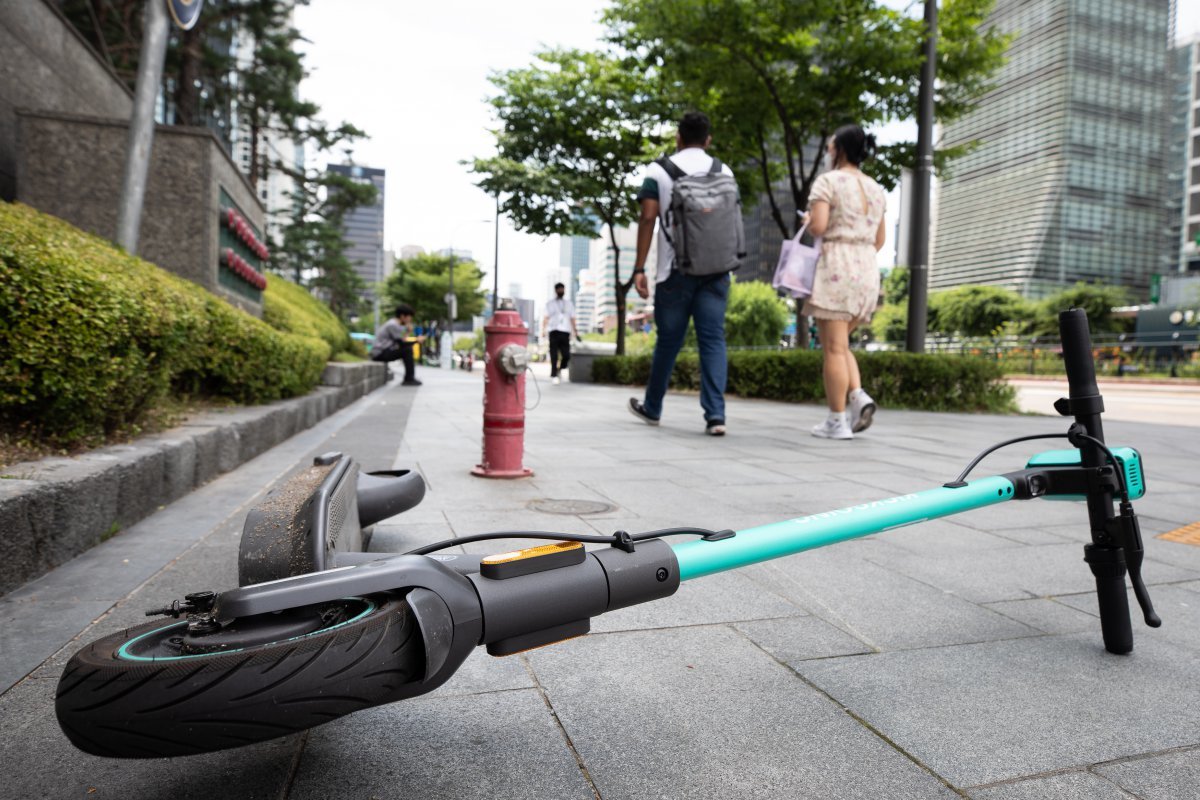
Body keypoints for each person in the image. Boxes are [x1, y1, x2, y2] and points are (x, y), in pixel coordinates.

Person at [627, 111, 738, 436]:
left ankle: (653, 408)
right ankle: (716, 416)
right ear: (708, 140)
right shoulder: (724, 170)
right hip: (717, 270)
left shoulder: (659, 171)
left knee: (668, 342)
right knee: (713, 340)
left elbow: (647, 218)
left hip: (674, 271)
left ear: (678, 137)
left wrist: (639, 268)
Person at [800, 124, 887, 440]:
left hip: (837, 266)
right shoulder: (876, 188)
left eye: (829, 147)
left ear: (839, 149)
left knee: (834, 349)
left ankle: (837, 421)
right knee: (840, 344)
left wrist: (809, 221)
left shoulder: (829, 182)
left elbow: (820, 226)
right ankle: (858, 396)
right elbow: (880, 239)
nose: (827, 152)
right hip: (866, 268)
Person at [370, 304, 425, 386]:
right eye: (409, 317)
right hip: (379, 354)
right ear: (402, 316)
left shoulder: (395, 324)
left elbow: (401, 341)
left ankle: (409, 378)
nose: (410, 320)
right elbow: (402, 344)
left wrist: (408, 332)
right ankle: (409, 378)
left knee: (407, 349)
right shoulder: (392, 325)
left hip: (384, 352)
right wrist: (417, 340)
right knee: (407, 350)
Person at [542, 282, 579, 385]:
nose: (561, 291)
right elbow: (546, 317)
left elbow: (572, 318)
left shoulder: (569, 304)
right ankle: (554, 374)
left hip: (565, 332)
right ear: (556, 290)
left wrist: (575, 331)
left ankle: (560, 369)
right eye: (559, 289)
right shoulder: (550, 304)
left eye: (562, 289)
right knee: (553, 355)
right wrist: (543, 330)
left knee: (566, 355)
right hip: (553, 331)